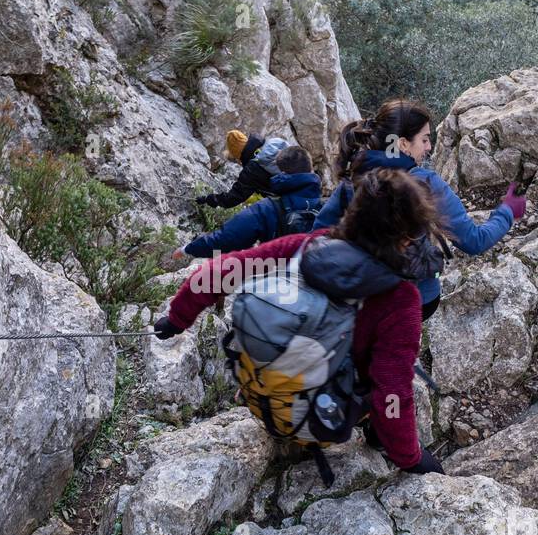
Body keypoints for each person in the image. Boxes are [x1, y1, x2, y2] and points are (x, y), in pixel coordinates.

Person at [154, 168, 446, 474]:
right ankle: (377, 437)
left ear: (354, 212)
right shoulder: (400, 299)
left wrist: (176, 320)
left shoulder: (310, 246)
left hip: (260, 398)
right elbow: (392, 395)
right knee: (394, 371)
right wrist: (410, 458)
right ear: (405, 239)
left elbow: (218, 272)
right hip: (319, 424)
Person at [314, 99, 526, 319]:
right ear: (403, 144)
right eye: (424, 139)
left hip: (355, 299)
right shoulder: (424, 182)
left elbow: (317, 233)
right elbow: (474, 241)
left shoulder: (352, 179)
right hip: (413, 300)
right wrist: (508, 210)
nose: (429, 147)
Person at [176, 146, 322, 259]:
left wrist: (188, 249)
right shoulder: (329, 207)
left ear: (281, 175)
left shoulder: (267, 208)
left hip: (279, 281)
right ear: (310, 170)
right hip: (321, 282)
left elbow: (227, 238)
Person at [196, 129, 289, 209]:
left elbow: (233, 197)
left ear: (238, 155)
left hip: (289, 202)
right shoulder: (271, 144)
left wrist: (210, 199)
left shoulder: (251, 170)